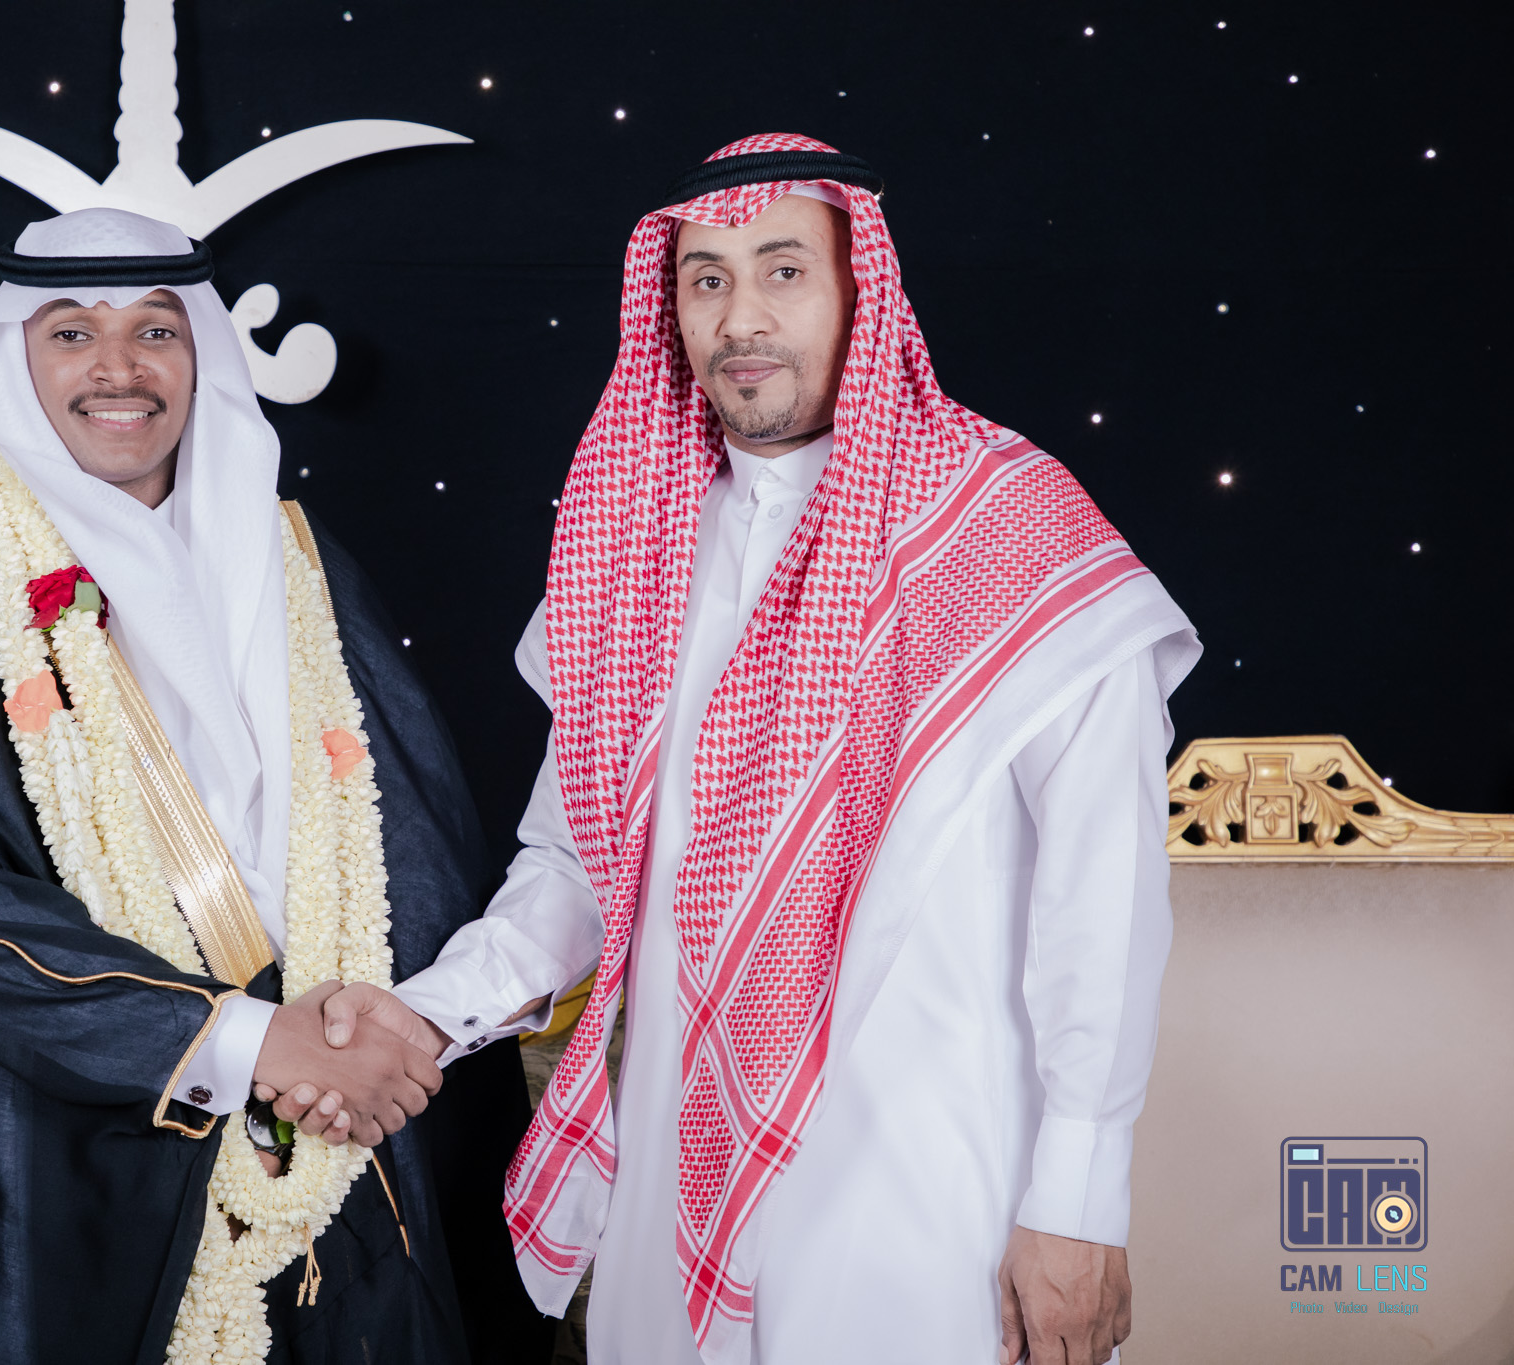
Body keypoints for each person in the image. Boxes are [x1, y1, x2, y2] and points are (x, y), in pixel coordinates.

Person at [297, 135, 1199, 1364]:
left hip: (931, 1194)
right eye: (706, 280)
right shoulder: (632, 545)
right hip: (673, 1190)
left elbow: (1101, 900)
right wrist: (423, 1018)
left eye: (782, 270)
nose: (739, 319)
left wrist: (1079, 1200)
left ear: (861, 291)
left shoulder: (1007, 532)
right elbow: (577, 869)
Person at [0, 207, 545, 1365]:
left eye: (155, 330)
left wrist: (366, 1043)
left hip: (341, 1128)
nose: (118, 368)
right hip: (91, 1159)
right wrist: (246, 1045)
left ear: (200, 352)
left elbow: (414, 837)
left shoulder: (297, 560)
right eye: (71, 334)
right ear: (14, 360)